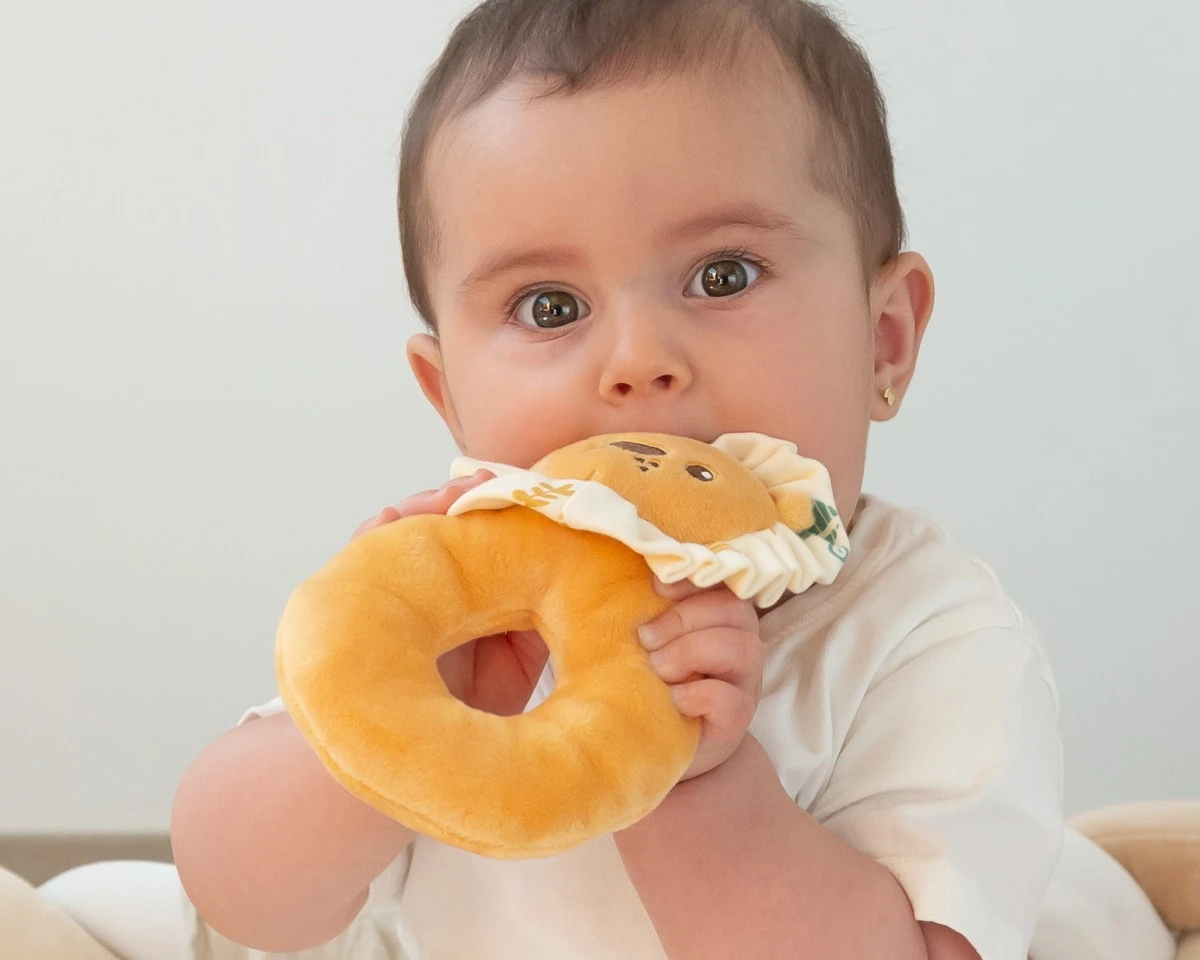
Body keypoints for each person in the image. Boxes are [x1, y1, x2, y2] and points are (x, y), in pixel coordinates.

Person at [45, 1, 1177, 958]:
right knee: (96, 905)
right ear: (451, 401)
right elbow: (244, 903)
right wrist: (374, 744)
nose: (637, 361)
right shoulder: (461, 604)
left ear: (883, 341)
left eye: (723, 274)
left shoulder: (932, 637)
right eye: (549, 308)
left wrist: (698, 788)